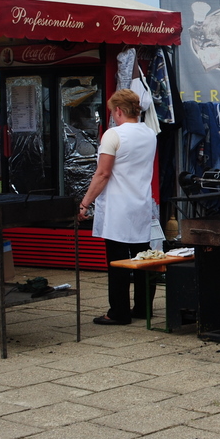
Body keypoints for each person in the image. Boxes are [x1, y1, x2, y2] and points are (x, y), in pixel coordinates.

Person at [78, 89, 157, 325]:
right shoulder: (149, 133)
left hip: (118, 207)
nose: (113, 115)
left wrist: (85, 203)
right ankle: (143, 307)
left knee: (117, 262)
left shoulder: (113, 135)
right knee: (143, 258)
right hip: (141, 204)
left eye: (113, 111)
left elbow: (102, 174)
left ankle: (119, 312)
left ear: (119, 110)